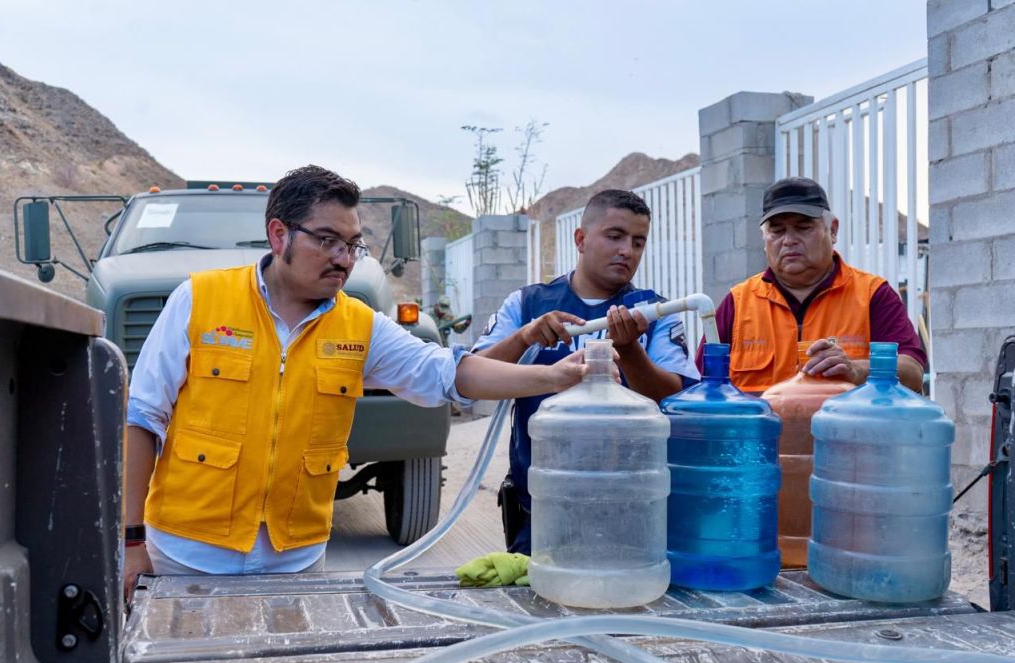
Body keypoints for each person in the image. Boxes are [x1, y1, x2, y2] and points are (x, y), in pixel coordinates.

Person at [122, 165, 595, 598]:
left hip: (296, 562)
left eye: (352, 245)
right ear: (278, 234)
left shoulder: (359, 325)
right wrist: (130, 541)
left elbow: (447, 372)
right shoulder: (200, 300)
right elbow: (142, 418)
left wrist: (552, 376)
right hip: (187, 557)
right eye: (327, 241)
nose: (343, 259)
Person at [473, 189, 701, 554]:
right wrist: (524, 336)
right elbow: (474, 378)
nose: (627, 250)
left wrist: (629, 351)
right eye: (615, 236)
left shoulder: (654, 312)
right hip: (539, 508)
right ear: (580, 239)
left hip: (630, 511)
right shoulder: (528, 304)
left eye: (638, 242)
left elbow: (677, 401)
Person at [696, 176, 926, 394]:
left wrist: (857, 370)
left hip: (846, 435)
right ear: (764, 239)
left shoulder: (872, 295)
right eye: (777, 230)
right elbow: (698, 385)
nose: (789, 240)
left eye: (803, 227)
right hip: (757, 437)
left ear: (832, 230)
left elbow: (912, 371)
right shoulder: (737, 303)